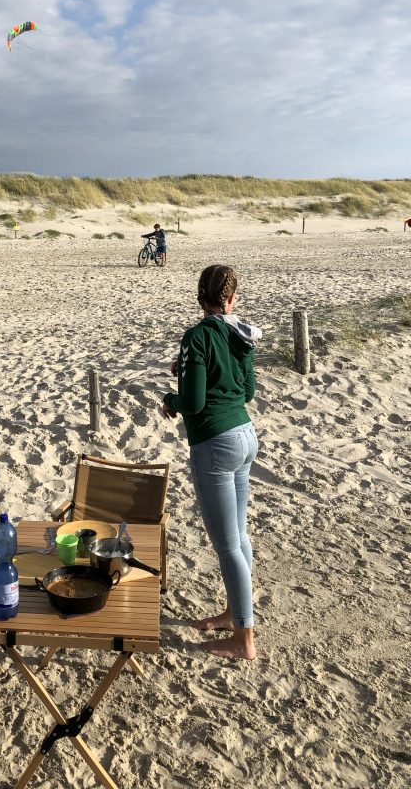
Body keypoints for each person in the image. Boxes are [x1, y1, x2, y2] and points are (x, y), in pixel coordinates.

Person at [162, 264, 262, 660]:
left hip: (215, 444)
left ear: (199, 297)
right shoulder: (240, 333)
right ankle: (235, 613)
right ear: (232, 298)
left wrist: (171, 400)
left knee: (228, 547)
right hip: (244, 434)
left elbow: (194, 403)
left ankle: (243, 639)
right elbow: (247, 389)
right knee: (239, 537)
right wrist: (185, 375)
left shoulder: (196, 336)